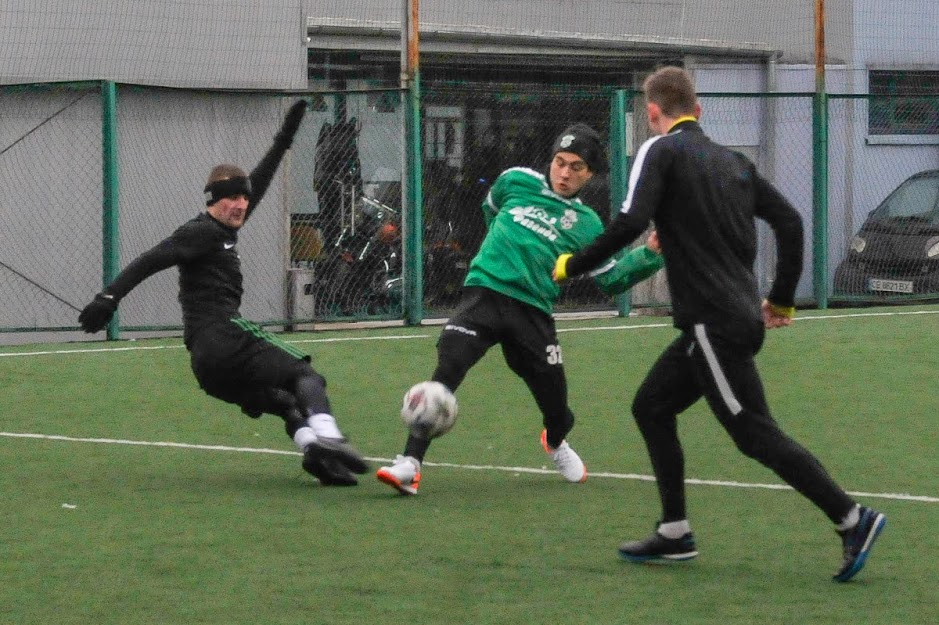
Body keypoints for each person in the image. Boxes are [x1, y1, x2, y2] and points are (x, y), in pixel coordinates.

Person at [553, 66, 885, 582]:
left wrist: (574, 264)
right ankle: (674, 531)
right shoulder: (735, 163)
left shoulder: (660, 151)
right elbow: (791, 223)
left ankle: (851, 518)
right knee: (652, 406)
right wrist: (781, 299)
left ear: (654, 113)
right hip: (727, 319)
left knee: (752, 432)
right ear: (699, 110)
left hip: (713, 324)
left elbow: (633, 221)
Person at [78, 101, 368, 487]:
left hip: (207, 365)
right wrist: (108, 298)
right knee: (305, 375)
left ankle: (314, 453)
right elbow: (151, 259)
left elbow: (256, 186)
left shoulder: (224, 228)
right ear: (212, 200)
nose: (241, 205)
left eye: (244, 199)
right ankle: (330, 436)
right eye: (232, 198)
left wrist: (283, 142)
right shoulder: (201, 232)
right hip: (224, 337)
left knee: (283, 402)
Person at [376, 123, 664, 495]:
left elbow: (611, 279)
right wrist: (502, 255)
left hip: (533, 312)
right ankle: (409, 465)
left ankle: (556, 441)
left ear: (590, 174)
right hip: (484, 295)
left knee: (556, 407)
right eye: (560, 162)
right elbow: (490, 210)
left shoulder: (588, 225)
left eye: (576, 167)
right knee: (447, 369)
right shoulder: (515, 181)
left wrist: (649, 255)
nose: (564, 172)